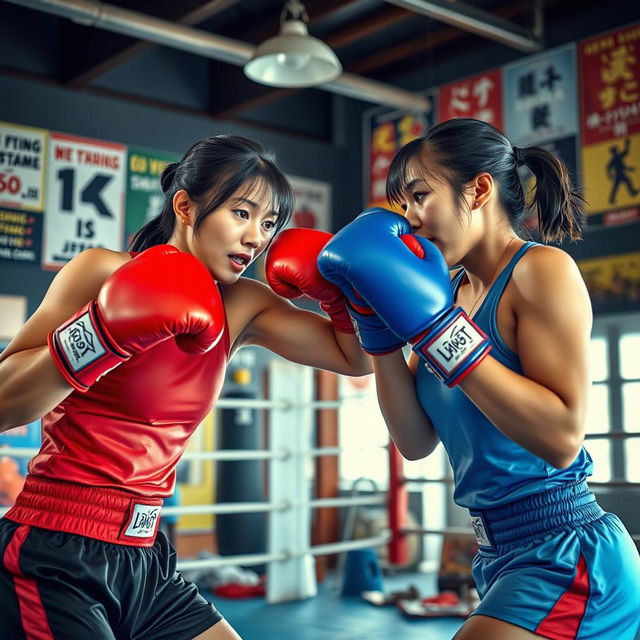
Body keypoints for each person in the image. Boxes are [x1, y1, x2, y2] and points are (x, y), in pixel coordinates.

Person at [0, 134, 371, 640]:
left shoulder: (243, 304)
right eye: (241, 213)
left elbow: (357, 359)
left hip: (147, 556)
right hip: (56, 545)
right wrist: (103, 333)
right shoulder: (103, 272)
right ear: (185, 206)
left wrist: (342, 297)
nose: (256, 238)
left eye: (267, 224)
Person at [318, 118, 640, 640]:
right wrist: (375, 330)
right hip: (495, 555)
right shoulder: (443, 291)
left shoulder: (541, 271)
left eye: (420, 196)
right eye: (402, 204)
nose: (410, 219)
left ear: (479, 189)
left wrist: (441, 330)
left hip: (566, 552)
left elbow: (561, 438)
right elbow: (415, 441)